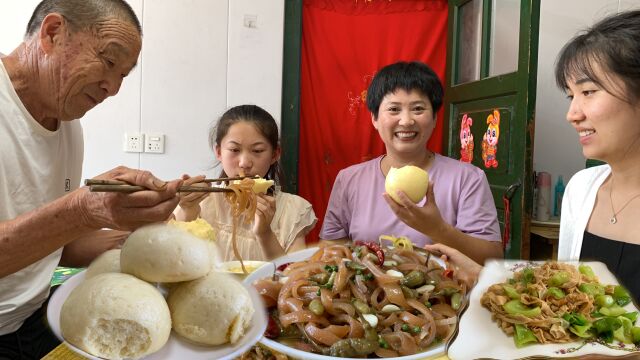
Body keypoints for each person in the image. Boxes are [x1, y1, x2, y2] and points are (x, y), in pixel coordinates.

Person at [0, 1, 183, 358]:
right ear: (53, 33)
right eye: (109, 62)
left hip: (35, 321)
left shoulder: (70, 127)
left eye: (124, 76)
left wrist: (131, 236)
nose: (113, 88)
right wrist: (84, 210)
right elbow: (70, 218)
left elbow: (48, 250)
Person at [320, 61, 503, 264]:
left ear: (434, 117)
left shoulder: (468, 178)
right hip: (365, 293)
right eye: (394, 109)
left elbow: (492, 258)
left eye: (418, 109)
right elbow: (330, 253)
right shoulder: (349, 179)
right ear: (374, 118)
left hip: (446, 292)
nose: (406, 121)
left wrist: (437, 229)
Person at [556, 10, 640, 302]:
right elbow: (565, 306)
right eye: (571, 95)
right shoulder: (581, 189)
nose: (572, 115)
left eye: (589, 91)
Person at [175, 105, 317, 261]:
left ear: (275, 154)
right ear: (219, 152)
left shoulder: (293, 210)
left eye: (257, 151)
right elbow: (174, 262)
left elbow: (293, 278)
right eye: (234, 150)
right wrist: (187, 210)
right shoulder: (202, 201)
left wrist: (264, 233)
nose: (244, 163)